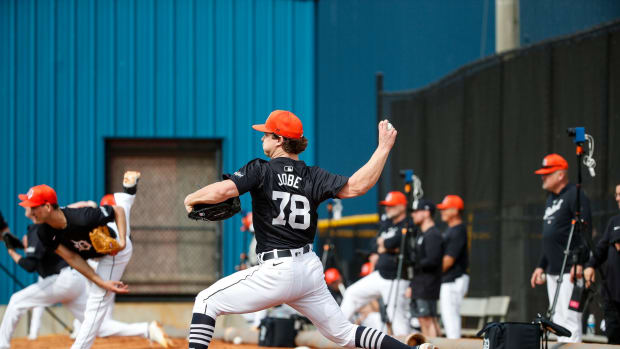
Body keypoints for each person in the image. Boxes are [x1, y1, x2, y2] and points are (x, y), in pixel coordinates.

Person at [184, 110, 433, 349]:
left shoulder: (261, 169)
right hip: (307, 270)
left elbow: (223, 191)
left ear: (279, 140)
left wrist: (190, 198)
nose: (262, 137)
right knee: (344, 333)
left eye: (267, 133)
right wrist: (383, 148)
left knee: (206, 301)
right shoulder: (313, 175)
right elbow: (357, 186)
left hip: (276, 270)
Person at [18, 171, 171, 349]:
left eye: (34, 206)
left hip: (114, 253)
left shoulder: (81, 217)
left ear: (47, 207)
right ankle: (127, 193)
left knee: (96, 302)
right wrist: (100, 281)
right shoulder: (44, 232)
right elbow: (71, 257)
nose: (30, 211)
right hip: (95, 253)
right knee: (99, 290)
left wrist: (121, 243)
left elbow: (117, 211)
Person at [529, 153, 592, 343]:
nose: (543, 177)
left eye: (547, 173)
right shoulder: (551, 198)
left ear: (560, 175)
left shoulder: (575, 194)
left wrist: (580, 263)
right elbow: (551, 238)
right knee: (557, 320)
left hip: (570, 269)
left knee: (570, 321)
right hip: (553, 269)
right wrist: (541, 265)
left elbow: (586, 232)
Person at [340, 191, 412, 336]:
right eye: (387, 206)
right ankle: (337, 331)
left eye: (391, 206)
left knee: (396, 318)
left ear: (402, 207)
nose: (388, 209)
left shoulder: (408, 224)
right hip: (380, 275)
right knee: (352, 293)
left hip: (396, 279)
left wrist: (385, 245)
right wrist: (386, 246)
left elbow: (395, 242)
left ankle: (406, 347)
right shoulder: (387, 224)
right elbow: (374, 244)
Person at [584, 183, 620, 344]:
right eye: (616, 195)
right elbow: (601, 249)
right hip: (612, 296)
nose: (617, 198)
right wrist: (590, 266)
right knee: (613, 337)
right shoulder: (614, 222)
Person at [406, 199, 443, 338]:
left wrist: (414, 263)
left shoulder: (433, 234)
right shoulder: (422, 234)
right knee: (423, 319)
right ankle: (430, 345)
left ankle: (435, 346)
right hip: (419, 283)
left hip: (428, 284)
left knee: (428, 319)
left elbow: (433, 260)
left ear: (426, 213)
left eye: (416, 212)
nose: (413, 215)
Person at [436, 194, 469, 339]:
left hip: (454, 279)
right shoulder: (451, 229)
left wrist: (432, 275)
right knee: (449, 319)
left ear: (455, 210)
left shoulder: (458, 230)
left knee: (451, 321)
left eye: (446, 209)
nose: (442, 212)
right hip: (450, 280)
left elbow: (448, 261)